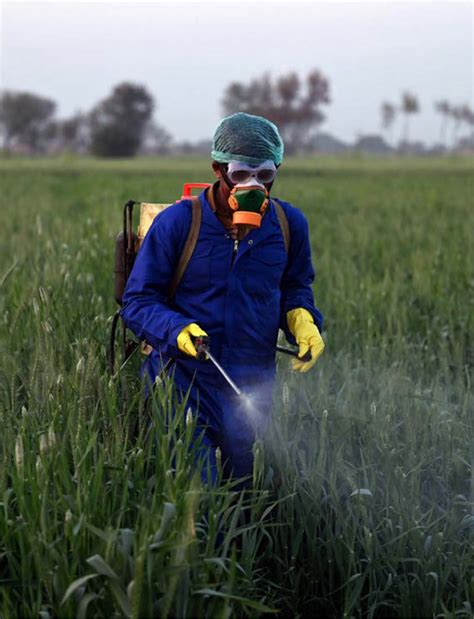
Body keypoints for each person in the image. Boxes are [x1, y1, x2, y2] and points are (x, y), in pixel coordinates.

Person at [121, 112, 324, 486]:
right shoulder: (179, 223)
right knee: (199, 492)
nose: (254, 185)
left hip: (250, 382)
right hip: (182, 380)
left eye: (265, 175)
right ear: (217, 169)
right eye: (241, 174)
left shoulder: (288, 224)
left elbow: (296, 286)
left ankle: (239, 544)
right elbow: (137, 302)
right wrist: (178, 330)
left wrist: (302, 319)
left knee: (242, 493)